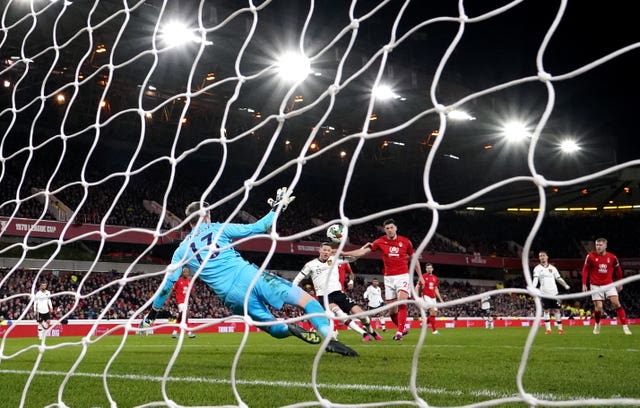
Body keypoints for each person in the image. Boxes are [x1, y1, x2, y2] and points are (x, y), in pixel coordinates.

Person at [140, 188, 358, 356]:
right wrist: (278, 208)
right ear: (206, 215)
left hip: (232, 297)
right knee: (308, 301)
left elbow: (167, 286)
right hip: (250, 276)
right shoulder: (217, 228)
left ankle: (290, 328)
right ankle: (329, 339)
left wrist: (152, 314)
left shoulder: (180, 252)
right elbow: (260, 227)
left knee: (274, 329)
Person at [344, 218, 424, 341]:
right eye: (387, 228)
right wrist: (344, 253)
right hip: (388, 279)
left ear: (396, 228)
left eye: (391, 227)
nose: (390, 230)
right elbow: (363, 252)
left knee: (402, 300)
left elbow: (414, 259)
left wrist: (420, 276)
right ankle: (402, 328)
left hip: (402, 276)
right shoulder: (380, 242)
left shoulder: (406, 242)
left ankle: (399, 333)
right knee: (392, 312)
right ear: (384, 230)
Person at [293, 243, 382, 342]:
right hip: (325, 297)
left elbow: (352, 258)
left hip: (339, 294)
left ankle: (371, 331)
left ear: (331, 252)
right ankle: (363, 333)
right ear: (320, 251)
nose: (326, 252)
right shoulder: (311, 265)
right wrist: (292, 291)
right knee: (338, 312)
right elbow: (298, 278)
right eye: (324, 250)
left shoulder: (334, 260)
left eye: (328, 250)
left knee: (363, 316)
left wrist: (361, 250)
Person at [581, 238, 631, 335]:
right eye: (597, 245)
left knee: (616, 303)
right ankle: (597, 324)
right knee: (599, 308)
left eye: (600, 245)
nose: (598, 247)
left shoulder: (612, 257)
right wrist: (584, 284)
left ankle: (625, 327)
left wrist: (620, 282)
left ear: (605, 246)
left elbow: (618, 270)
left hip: (609, 284)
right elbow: (585, 270)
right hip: (595, 285)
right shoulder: (590, 256)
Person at [532, 250, 570, 335]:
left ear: (547, 257)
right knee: (546, 311)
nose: (542, 257)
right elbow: (535, 279)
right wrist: (533, 288)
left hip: (554, 293)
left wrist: (565, 285)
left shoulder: (553, 268)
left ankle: (560, 329)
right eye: (540, 256)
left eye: (543, 255)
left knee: (557, 310)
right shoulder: (537, 268)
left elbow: (558, 278)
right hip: (544, 293)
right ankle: (548, 329)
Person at [415, 263, 443, 335]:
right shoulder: (423, 276)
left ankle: (424, 324)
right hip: (426, 296)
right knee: (432, 311)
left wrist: (440, 299)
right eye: (427, 268)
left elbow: (436, 289)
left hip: (433, 297)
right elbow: (417, 286)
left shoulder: (435, 278)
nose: (429, 269)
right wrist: (416, 296)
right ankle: (434, 330)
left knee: (434, 313)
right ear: (426, 269)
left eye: (430, 268)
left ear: (432, 269)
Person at [171, 267, 196, 339]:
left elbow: (192, 291)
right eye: (185, 272)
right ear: (182, 273)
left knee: (181, 318)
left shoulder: (189, 281)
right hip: (180, 301)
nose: (187, 273)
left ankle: (174, 333)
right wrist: (168, 299)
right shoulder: (178, 281)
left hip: (185, 302)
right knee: (185, 315)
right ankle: (189, 332)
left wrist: (196, 298)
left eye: (187, 272)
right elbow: (173, 290)